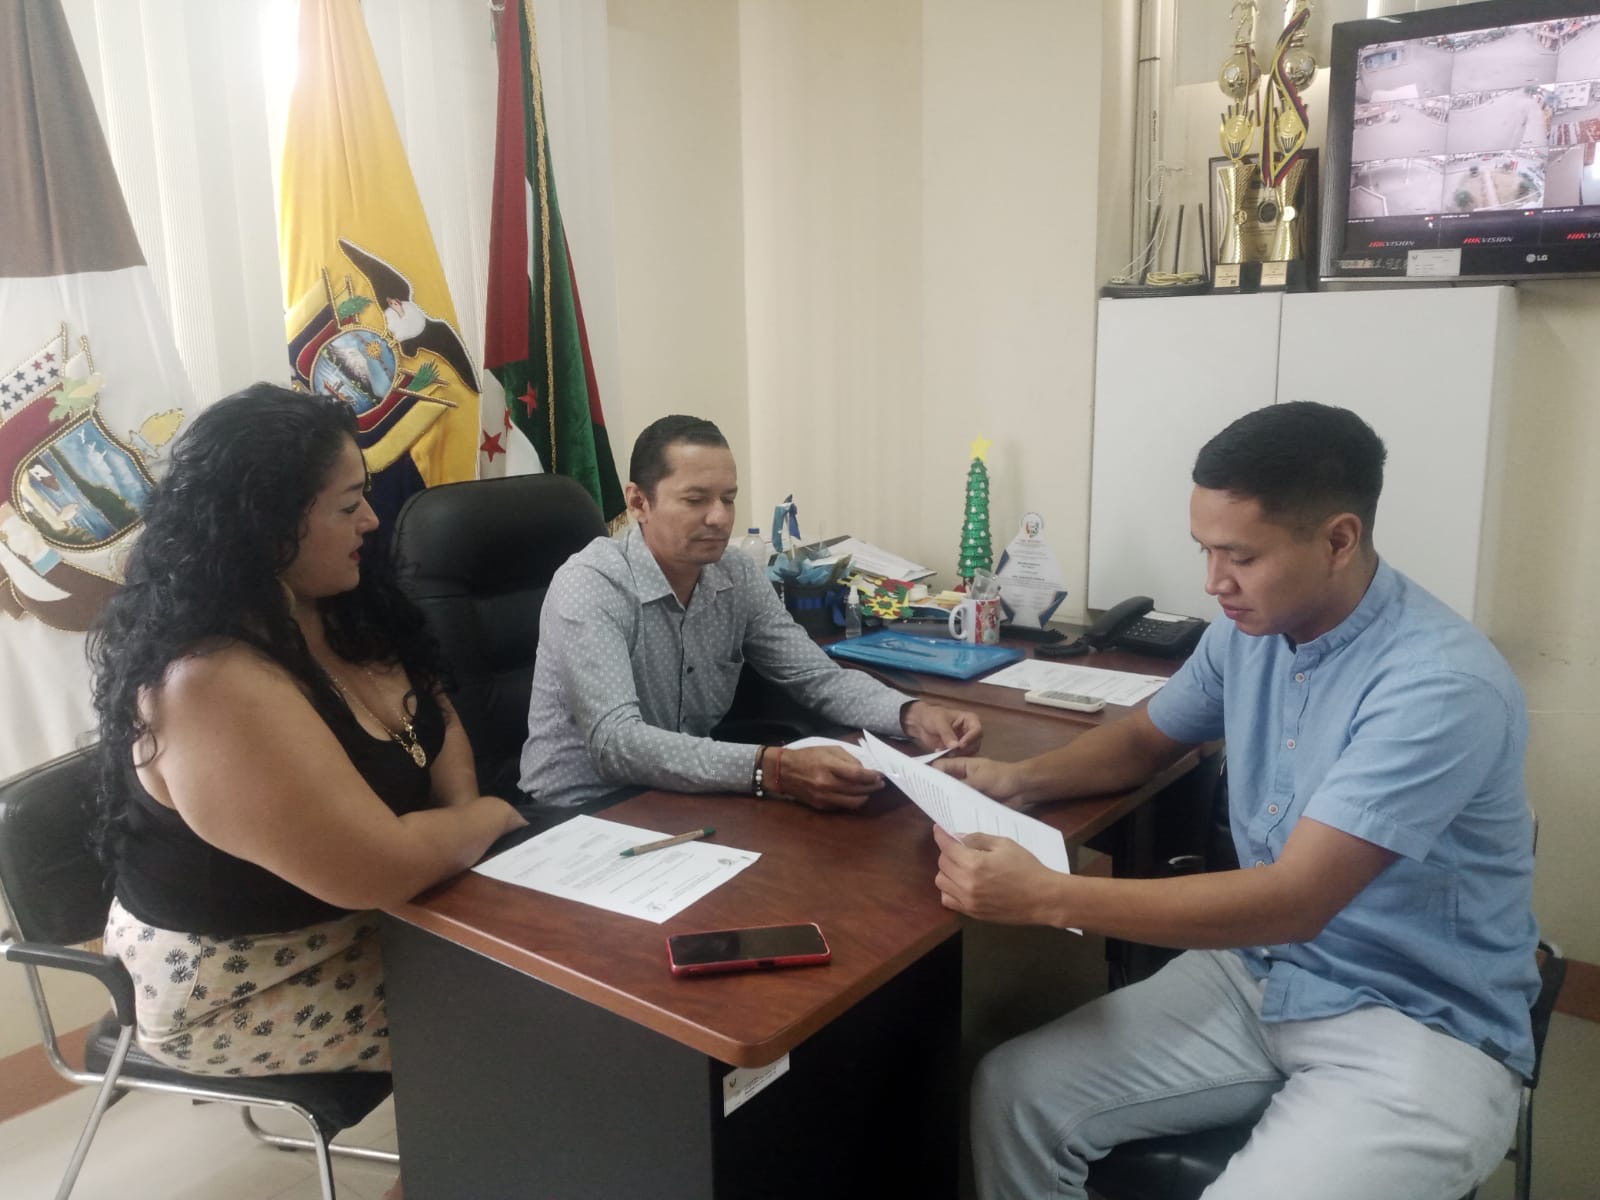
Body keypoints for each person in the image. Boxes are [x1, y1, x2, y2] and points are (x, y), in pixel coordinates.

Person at [934, 402, 1539, 1200]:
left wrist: (1046, 895)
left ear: (1339, 540)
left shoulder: (1440, 684)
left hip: (1414, 1018)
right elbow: (1146, 738)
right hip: (1262, 973)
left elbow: (1295, 900)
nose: (1213, 581)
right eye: (1206, 550)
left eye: (1240, 556)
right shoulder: (1248, 629)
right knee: (1016, 1094)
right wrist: (1021, 780)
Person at [90, 385, 526, 1079]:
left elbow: (433, 721)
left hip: (383, 914)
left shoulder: (338, 602)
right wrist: (489, 818)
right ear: (267, 527)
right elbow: (379, 870)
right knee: (537, 1018)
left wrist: (461, 829)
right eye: (348, 506)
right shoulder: (207, 682)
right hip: (237, 980)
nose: (372, 521)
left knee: (583, 964)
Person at [519, 414, 982, 810]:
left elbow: (816, 678)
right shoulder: (592, 583)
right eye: (696, 500)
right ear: (639, 502)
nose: (720, 517)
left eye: (728, 498)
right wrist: (773, 769)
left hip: (680, 798)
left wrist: (912, 715)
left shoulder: (735, 573)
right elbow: (615, 744)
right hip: (578, 814)